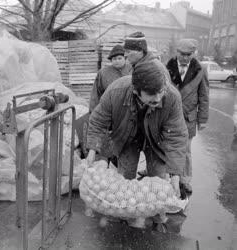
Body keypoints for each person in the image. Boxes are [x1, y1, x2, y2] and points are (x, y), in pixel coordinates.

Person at [86, 59, 188, 228]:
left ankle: (158, 219)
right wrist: (92, 150)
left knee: (158, 180)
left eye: (160, 92)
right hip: (128, 137)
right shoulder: (116, 92)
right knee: (124, 176)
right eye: (151, 94)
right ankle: (122, 215)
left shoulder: (171, 97)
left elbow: (177, 136)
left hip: (157, 140)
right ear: (136, 90)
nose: (158, 98)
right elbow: (98, 121)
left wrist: (176, 173)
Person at [166, 39, 209, 195]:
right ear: (176, 52)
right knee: (168, 147)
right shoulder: (167, 67)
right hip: (170, 116)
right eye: (181, 54)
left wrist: (202, 119)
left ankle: (185, 180)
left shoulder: (201, 69)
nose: (184, 57)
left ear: (193, 53)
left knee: (186, 151)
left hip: (188, 118)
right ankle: (169, 177)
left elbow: (204, 96)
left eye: (188, 55)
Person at [89, 45, 132, 112]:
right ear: (111, 60)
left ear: (125, 58)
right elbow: (96, 94)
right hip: (110, 108)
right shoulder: (103, 73)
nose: (117, 61)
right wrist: (93, 111)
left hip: (129, 109)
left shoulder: (132, 70)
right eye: (114, 59)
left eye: (119, 58)